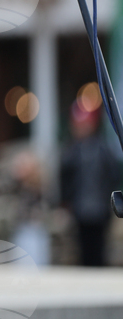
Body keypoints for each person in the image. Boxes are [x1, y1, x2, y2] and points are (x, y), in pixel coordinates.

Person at [60, 101, 120, 266]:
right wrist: (66, 201)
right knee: (82, 247)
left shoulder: (103, 149)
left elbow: (113, 175)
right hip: (80, 208)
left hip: (100, 207)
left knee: (99, 247)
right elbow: (65, 177)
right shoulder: (72, 151)